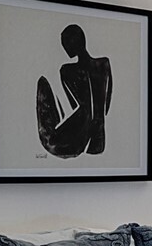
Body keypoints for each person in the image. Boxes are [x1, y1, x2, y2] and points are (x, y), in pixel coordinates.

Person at [36, 23, 113, 158]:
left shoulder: (67, 70)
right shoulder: (104, 64)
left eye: (65, 43)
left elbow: (74, 104)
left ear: (75, 42)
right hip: (99, 138)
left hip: (80, 137)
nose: (65, 48)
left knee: (53, 139)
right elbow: (107, 102)